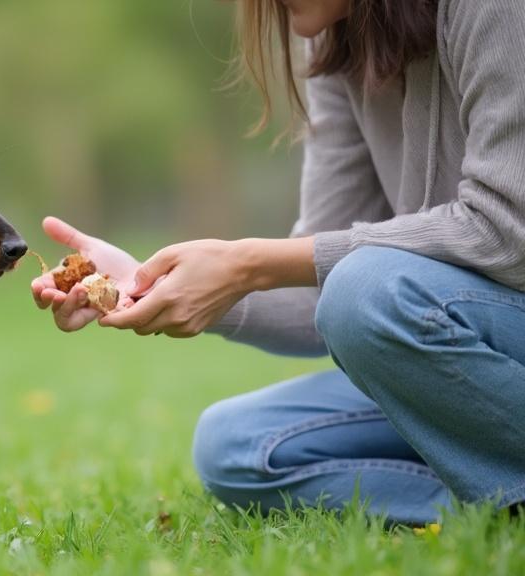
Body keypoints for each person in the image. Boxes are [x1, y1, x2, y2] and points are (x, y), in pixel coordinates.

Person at [30, 0, 525, 525]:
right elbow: (320, 287)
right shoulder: (340, 36)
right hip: (464, 347)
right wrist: (150, 285)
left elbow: (504, 227)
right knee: (238, 445)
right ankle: (493, 509)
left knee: (363, 289)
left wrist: (247, 264)